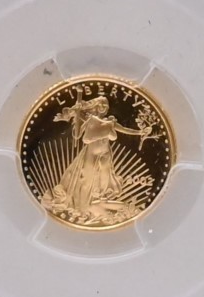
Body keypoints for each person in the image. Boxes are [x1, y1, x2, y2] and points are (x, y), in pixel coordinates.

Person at [48, 96, 159, 224]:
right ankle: (82, 208)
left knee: (104, 181)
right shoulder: (89, 120)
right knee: (86, 180)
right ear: (95, 107)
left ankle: (95, 204)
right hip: (91, 155)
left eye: (105, 105)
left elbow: (125, 130)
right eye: (100, 105)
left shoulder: (110, 122)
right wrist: (76, 116)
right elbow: (77, 135)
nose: (103, 108)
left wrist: (140, 132)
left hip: (105, 155)